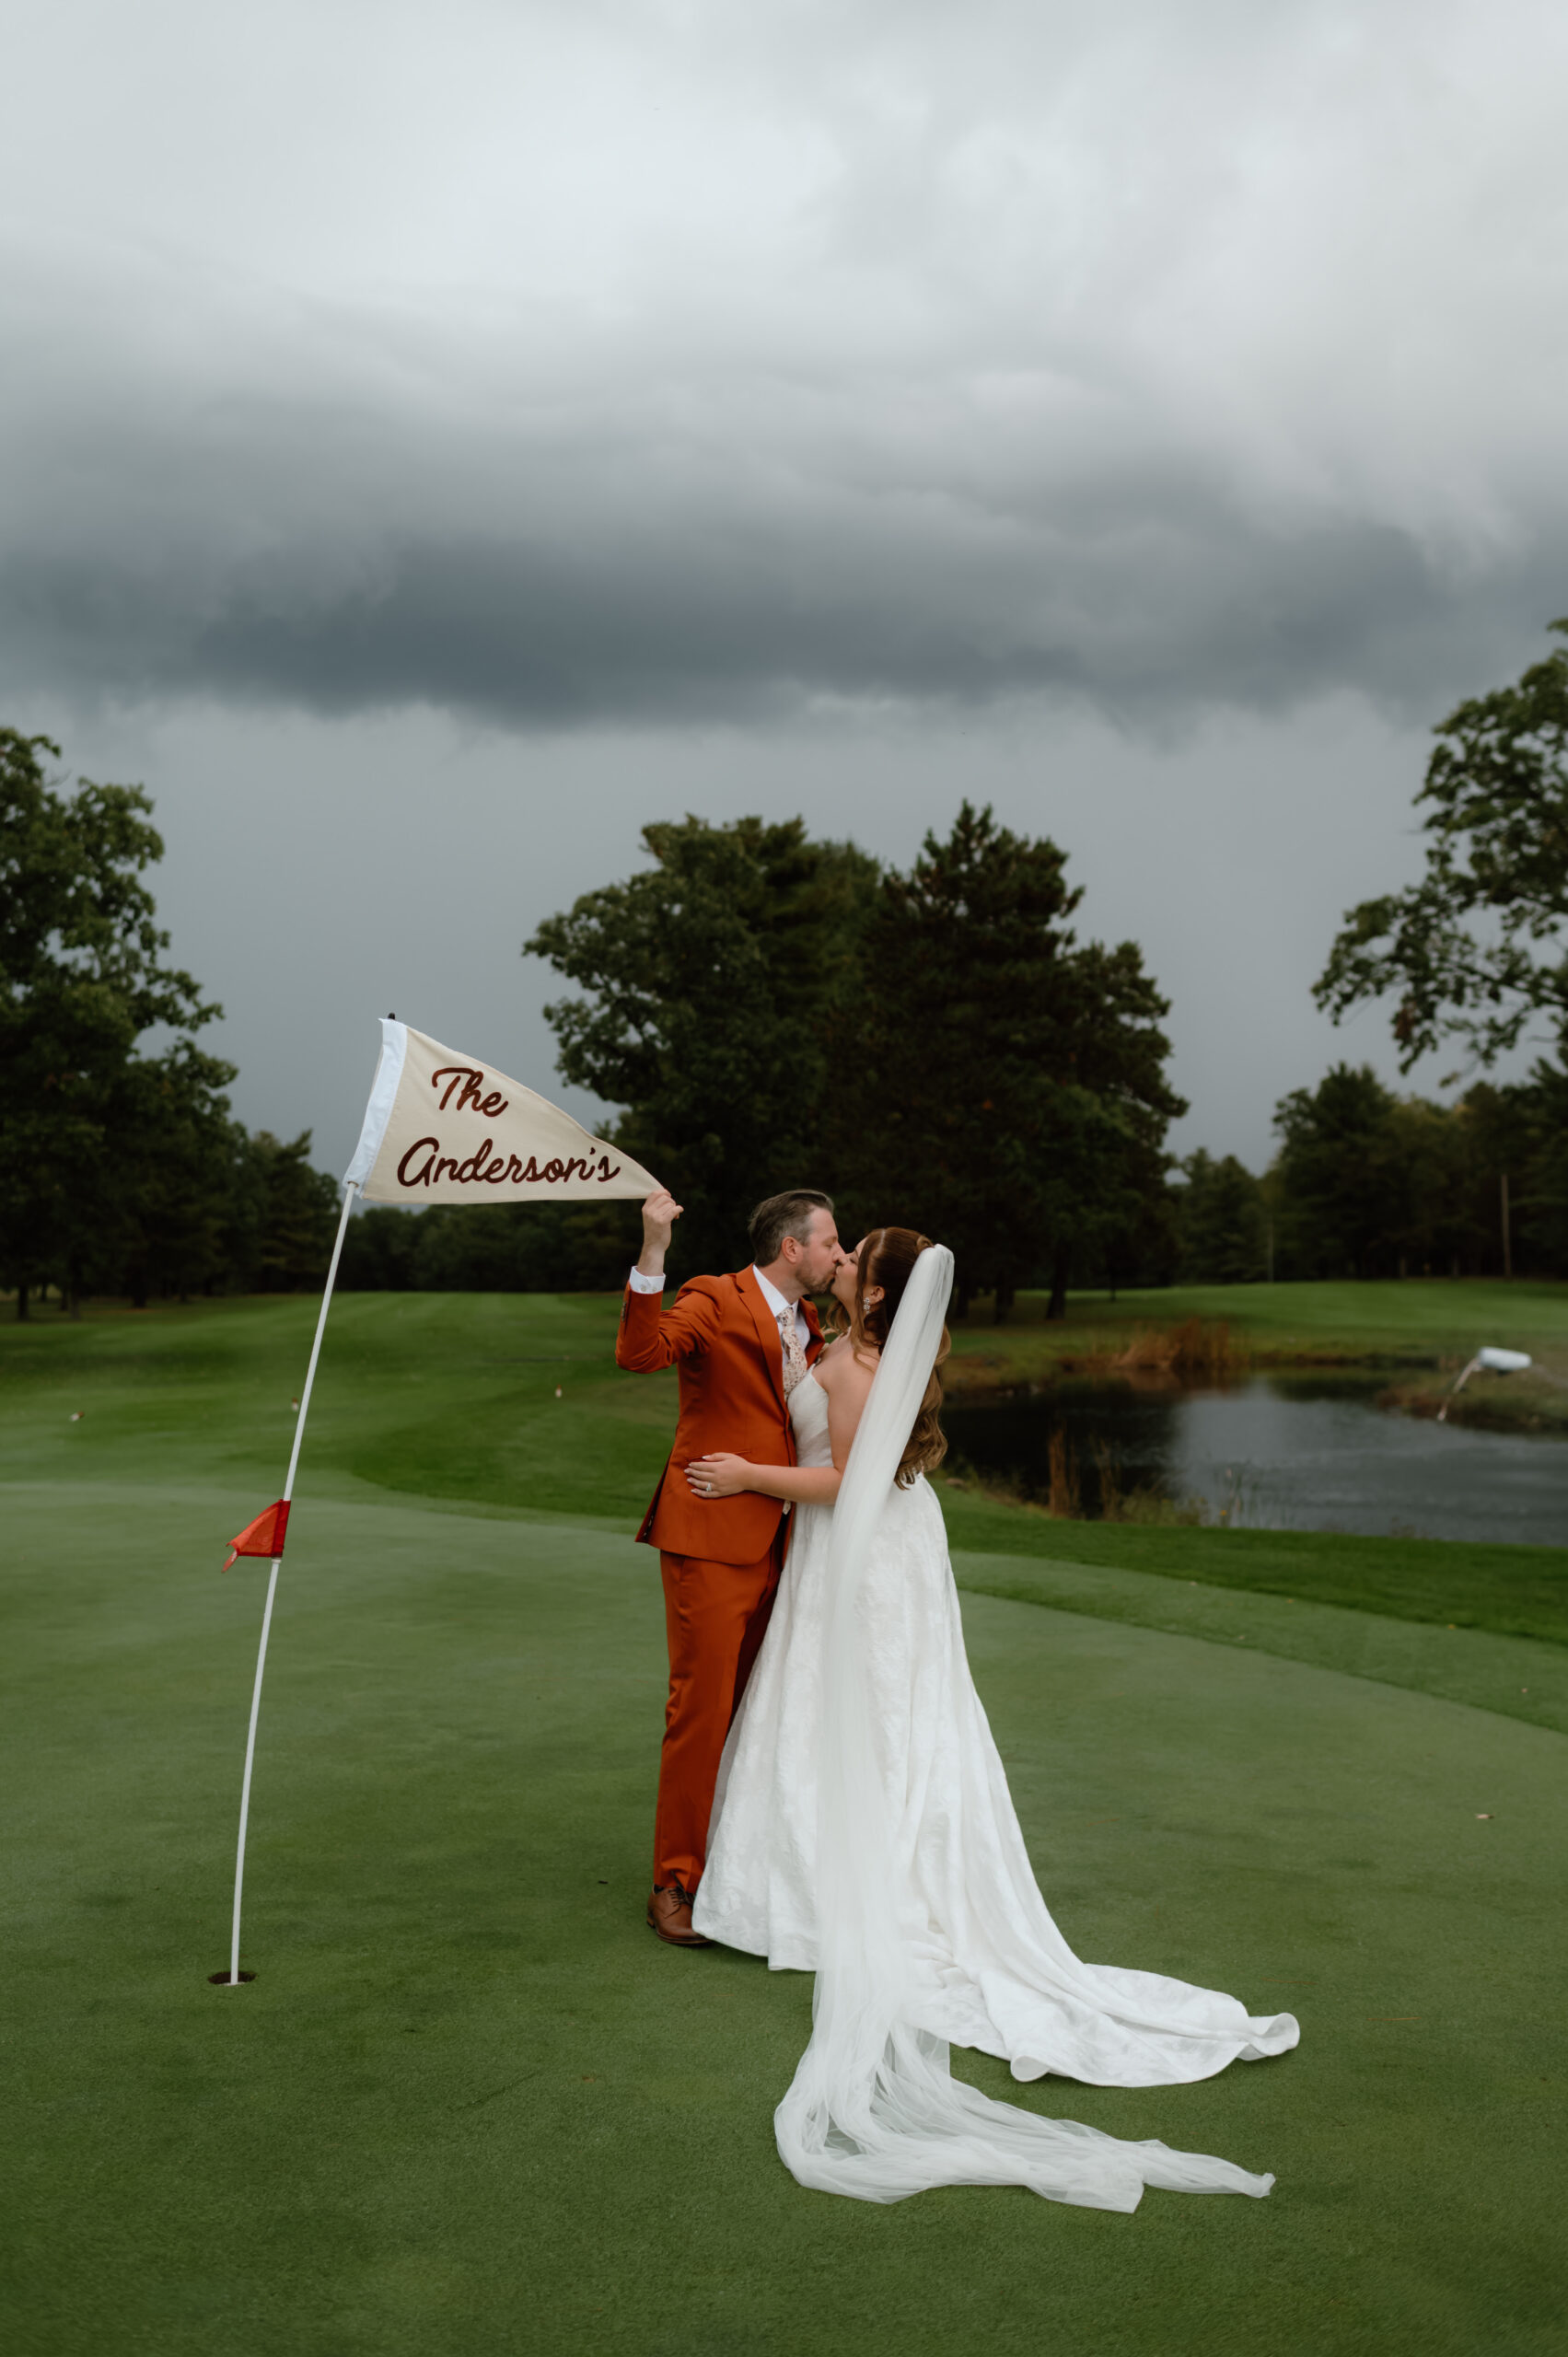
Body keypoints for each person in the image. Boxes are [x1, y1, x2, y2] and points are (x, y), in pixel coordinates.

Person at [683, 1228, 1299, 2211]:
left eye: (851, 1261)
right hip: (899, 1543)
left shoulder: (851, 1362)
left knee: (869, 1706)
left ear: (876, 1288)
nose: (837, 1263)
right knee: (893, 1707)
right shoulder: (883, 1352)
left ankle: (835, 1876)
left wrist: (749, 1477)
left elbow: (846, 1481)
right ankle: (844, 1854)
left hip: (861, 1547)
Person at [614, 1186, 844, 1946]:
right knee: (702, 1713)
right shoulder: (714, 1295)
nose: (835, 1255)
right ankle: (674, 1881)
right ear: (791, 1247)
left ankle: (741, 1870)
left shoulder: (810, 1320)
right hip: (711, 1538)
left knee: (759, 1714)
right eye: (829, 1243)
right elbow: (640, 1354)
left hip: (790, 1543)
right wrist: (654, 1250)